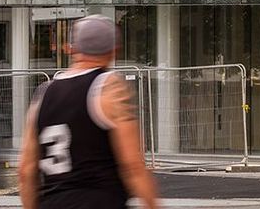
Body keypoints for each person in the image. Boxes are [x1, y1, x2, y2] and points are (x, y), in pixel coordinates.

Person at [17, 15, 160, 209]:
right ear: (114, 51)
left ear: (71, 49)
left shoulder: (43, 94)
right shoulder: (109, 87)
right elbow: (132, 166)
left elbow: (26, 171)